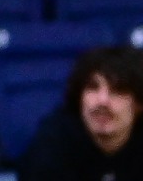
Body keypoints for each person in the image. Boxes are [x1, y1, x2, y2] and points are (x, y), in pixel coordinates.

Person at [22, 47, 143, 181]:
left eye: (118, 90)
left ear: (139, 104)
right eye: (92, 87)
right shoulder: (52, 145)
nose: (102, 100)